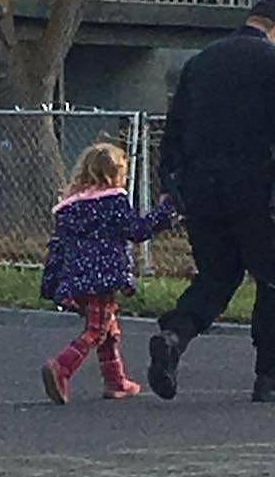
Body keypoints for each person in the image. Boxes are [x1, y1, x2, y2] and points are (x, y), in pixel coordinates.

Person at [149, 0, 275, 404]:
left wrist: (168, 179)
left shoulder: (200, 62)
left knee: (216, 274)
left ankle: (174, 335)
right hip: (255, 182)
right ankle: (271, 374)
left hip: (201, 185)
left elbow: (174, 124)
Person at [40, 142, 175, 406]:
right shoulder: (113, 202)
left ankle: (115, 380)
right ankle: (62, 367)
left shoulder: (69, 208)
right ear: (113, 175)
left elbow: (58, 246)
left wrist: (54, 281)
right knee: (96, 331)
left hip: (75, 278)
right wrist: (165, 212)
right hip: (103, 277)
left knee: (109, 329)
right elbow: (137, 230)